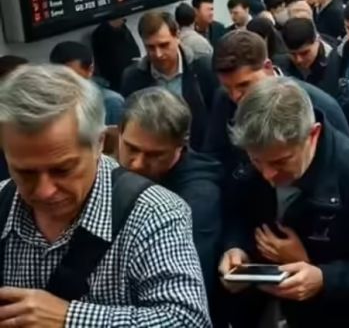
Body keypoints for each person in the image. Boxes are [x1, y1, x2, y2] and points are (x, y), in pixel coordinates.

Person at [0, 65, 210, 326]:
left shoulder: (155, 213)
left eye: (62, 170)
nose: (45, 190)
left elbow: (187, 320)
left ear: (99, 143)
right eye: (25, 173)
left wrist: (70, 318)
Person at [218, 77, 349, 328]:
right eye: (256, 161)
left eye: (281, 162)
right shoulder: (256, 148)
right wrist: (235, 249)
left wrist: (324, 277)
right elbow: (237, 214)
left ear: (313, 134)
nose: (268, 175)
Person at [116, 87, 223, 317]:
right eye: (131, 148)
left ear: (180, 147)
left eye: (155, 155)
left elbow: (188, 295)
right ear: (119, 133)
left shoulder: (199, 198)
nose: (137, 164)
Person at [206, 30, 349, 172]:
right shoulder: (223, 98)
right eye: (227, 87)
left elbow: (343, 166)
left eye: (244, 85)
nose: (235, 96)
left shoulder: (320, 106)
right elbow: (212, 157)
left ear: (267, 67)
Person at [120, 11, 218, 154]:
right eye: (150, 47)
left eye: (164, 45)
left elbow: (216, 119)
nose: (158, 54)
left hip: (200, 154)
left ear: (177, 36)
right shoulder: (133, 78)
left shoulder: (203, 69)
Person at [49, 40, 125, 126]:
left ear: (90, 70)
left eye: (72, 77)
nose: (65, 82)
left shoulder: (110, 102)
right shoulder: (51, 105)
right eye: (60, 76)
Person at [277, 17, 344, 99]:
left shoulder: (340, 59)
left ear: (317, 40)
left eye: (304, 53)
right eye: (292, 54)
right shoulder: (280, 64)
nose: (298, 60)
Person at [91, 17, 140, 92]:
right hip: (116, 81)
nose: (123, 20)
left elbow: (135, 52)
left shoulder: (123, 29)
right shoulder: (100, 33)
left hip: (133, 76)